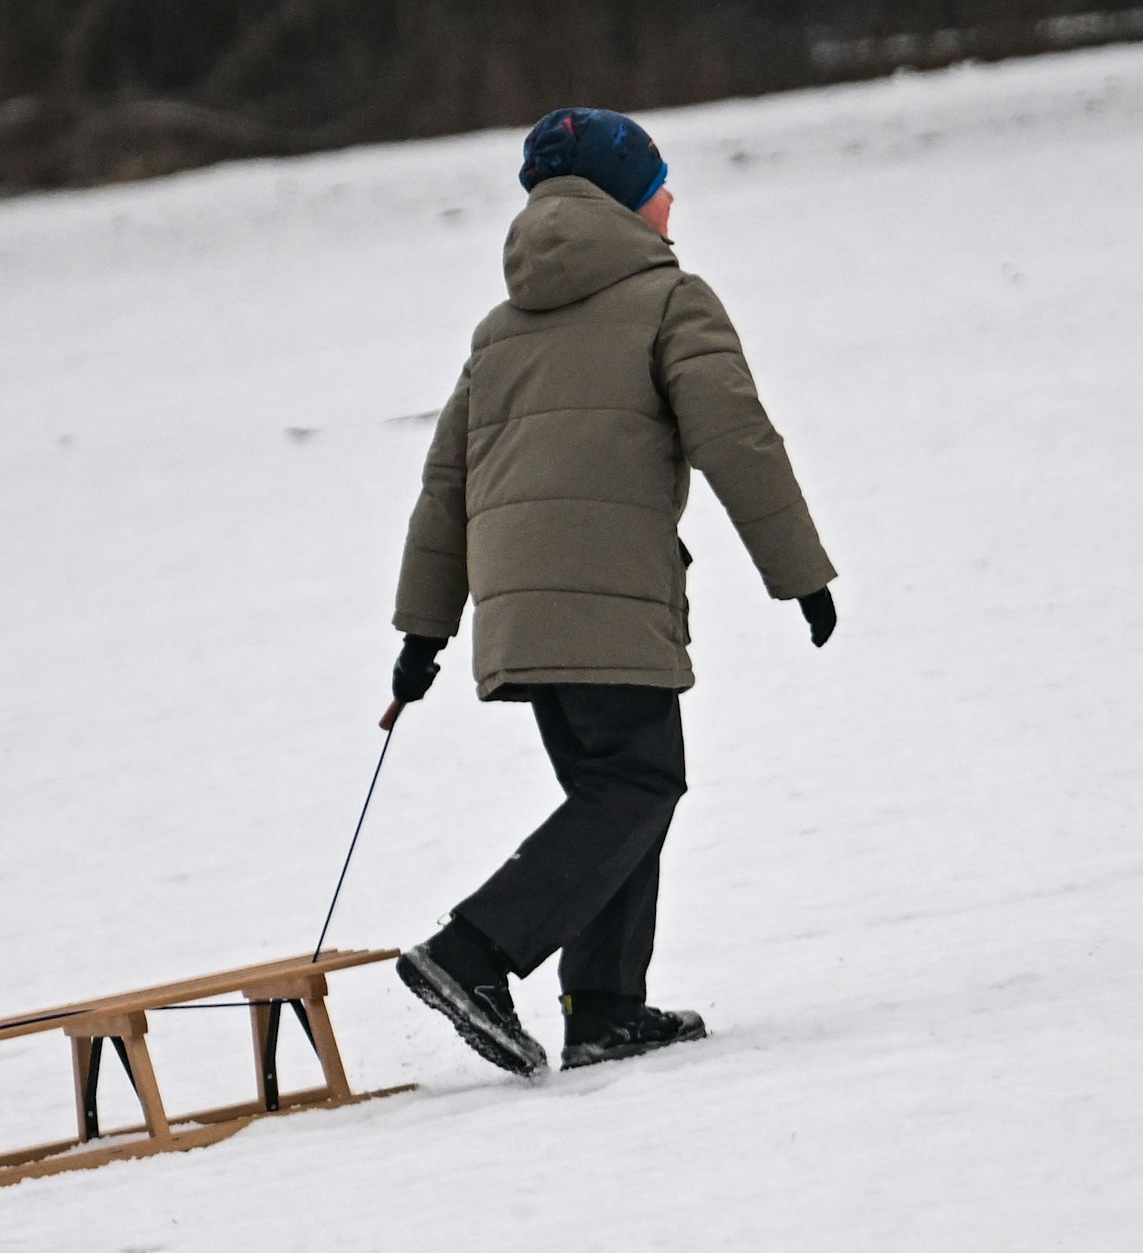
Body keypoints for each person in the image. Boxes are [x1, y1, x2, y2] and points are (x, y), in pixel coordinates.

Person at [389, 108, 838, 1076]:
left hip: (520, 608)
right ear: (624, 200)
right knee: (637, 782)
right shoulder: (672, 300)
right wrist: (797, 572)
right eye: (658, 180)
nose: (671, 196)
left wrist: (423, 633)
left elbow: (445, 487)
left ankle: (604, 1007)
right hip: (607, 597)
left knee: (610, 793)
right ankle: (471, 952)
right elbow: (736, 440)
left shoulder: (499, 331)